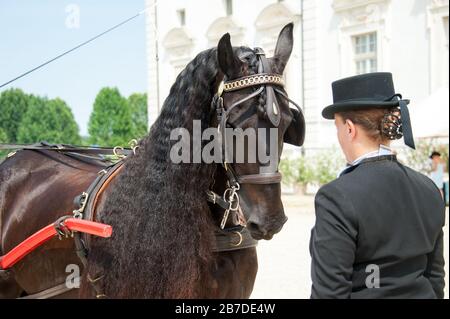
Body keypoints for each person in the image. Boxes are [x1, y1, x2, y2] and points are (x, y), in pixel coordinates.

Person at [309, 72, 446, 299]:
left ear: (349, 129)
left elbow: (329, 293)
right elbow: (435, 278)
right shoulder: (429, 188)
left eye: (337, 127)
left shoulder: (336, 196)